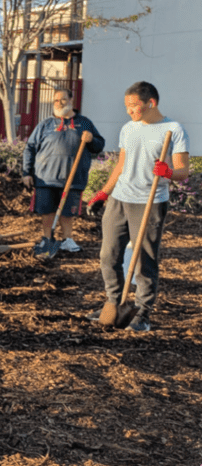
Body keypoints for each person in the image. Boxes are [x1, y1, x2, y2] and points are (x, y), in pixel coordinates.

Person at [85, 81, 189, 332]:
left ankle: (142, 312)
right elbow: (121, 165)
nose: (129, 111)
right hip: (120, 199)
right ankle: (114, 302)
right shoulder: (128, 128)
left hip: (150, 202)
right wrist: (103, 193)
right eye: (126, 106)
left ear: (150, 103)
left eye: (133, 106)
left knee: (144, 261)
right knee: (108, 256)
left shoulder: (173, 129)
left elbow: (183, 171)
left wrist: (168, 172)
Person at [22, 89, 105, 256]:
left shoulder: (85, 123)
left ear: (71, 100)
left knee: (68, 211)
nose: (59, 103)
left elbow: (99, 145)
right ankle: (47, 239)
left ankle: (67, 239)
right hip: (46, 177)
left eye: (63, 99)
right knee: (47, 211)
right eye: (56, 100)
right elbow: (30, 148)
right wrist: (26, 173)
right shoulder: (45, 124)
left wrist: (91, 140)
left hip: (73, 178)